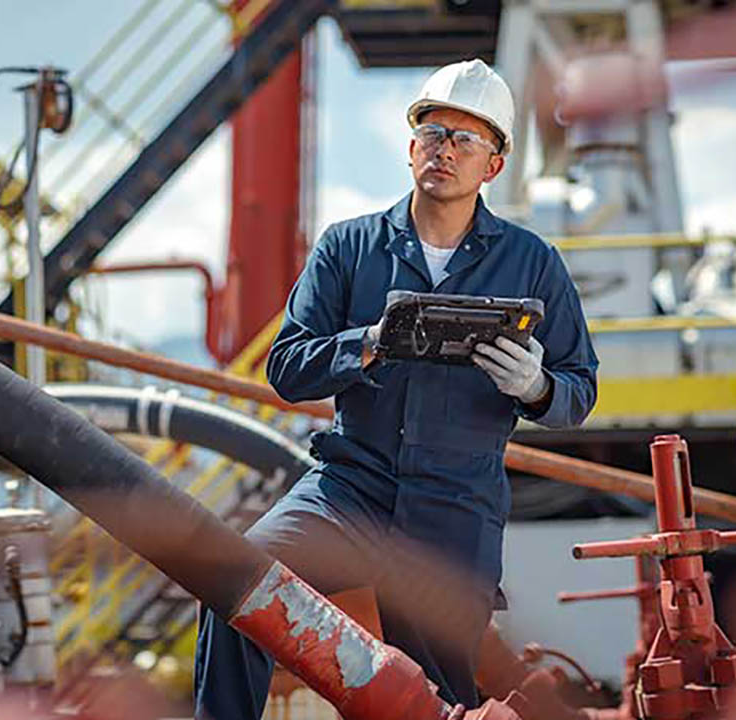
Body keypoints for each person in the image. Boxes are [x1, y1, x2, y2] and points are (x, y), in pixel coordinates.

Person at [194, 58, 598, 719]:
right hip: (351, 489)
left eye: (466, 140)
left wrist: (535, 386)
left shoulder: (532, 263)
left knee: (438, 696)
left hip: (455, 509)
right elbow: (288, 368)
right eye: (434, 134)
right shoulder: (349, 249)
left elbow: (578, 390)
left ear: (492, 166)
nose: (445, 150)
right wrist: (370, 340)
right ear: (412, 149)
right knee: (239, 582)